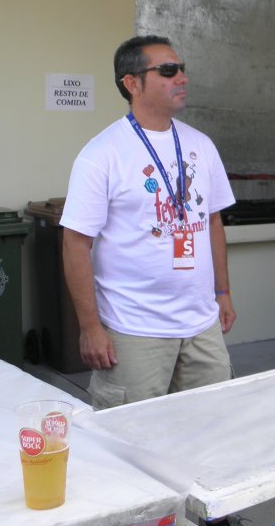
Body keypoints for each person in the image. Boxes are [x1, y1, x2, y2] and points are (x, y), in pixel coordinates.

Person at [60, 35, 237, 411]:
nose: (182, 78)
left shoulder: (201, 145)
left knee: (210, 426)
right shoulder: (102, 154)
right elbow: (75, 243)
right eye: (168, 70)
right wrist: (90, 328)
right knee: (131, 436)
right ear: (132, 83)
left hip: (201, 325)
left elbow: (213, 221)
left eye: (182, 69)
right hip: (134, 330)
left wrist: (223, 292)